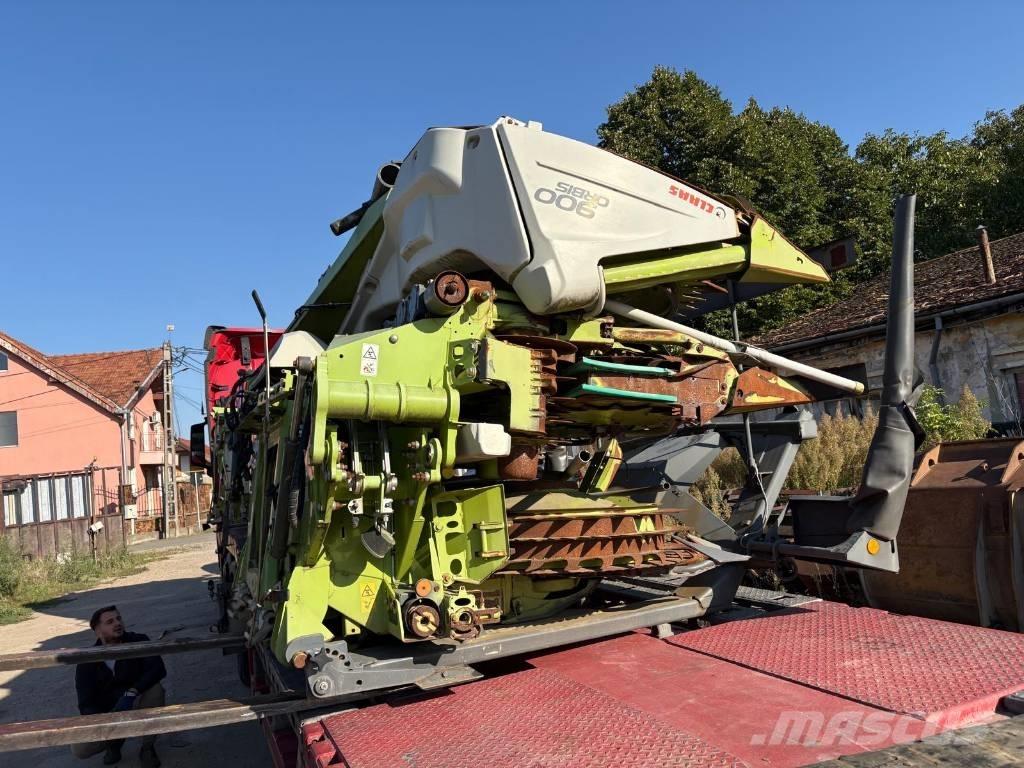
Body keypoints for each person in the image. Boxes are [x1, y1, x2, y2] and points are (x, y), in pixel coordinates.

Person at [72, 605, 166, 767]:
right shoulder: (87, 660)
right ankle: (114, 744)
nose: (117, 623)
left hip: (135, 701)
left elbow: (157, 669)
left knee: (156, 690)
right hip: (108, 713)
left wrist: (132, 692)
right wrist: (104, 721)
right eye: (110, 621)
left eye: (119, 619)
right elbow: (85, 703)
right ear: (98, 630)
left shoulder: (138, 641)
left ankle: (147, 747)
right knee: (80, 749)